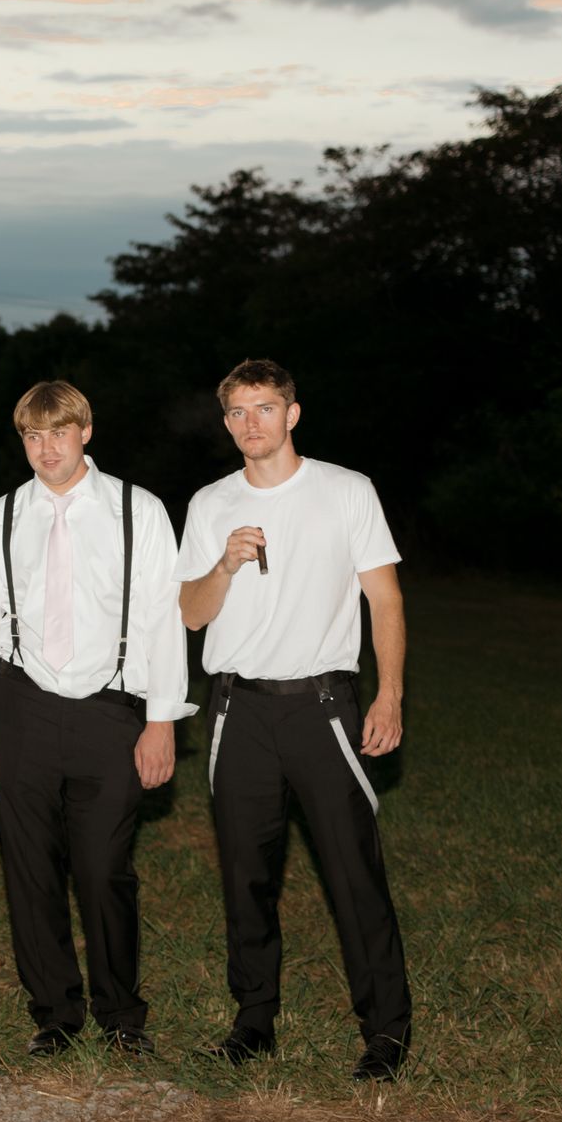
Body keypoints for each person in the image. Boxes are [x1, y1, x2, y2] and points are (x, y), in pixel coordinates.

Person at [176, 358, 411, 1082]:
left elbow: (387, 601)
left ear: (292, 414)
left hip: (322, 706)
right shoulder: (210, 503)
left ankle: (386, 1032)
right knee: (247, 878)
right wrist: (223, 565)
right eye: (239, 413)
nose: (252, 424)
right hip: (236, 710)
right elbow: (187, 615)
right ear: (226, 424)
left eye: (265, 409)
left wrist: (389, 694)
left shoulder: (346, 491)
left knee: (351, 872)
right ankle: (253, 1022)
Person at [0, 381, 193, 1059]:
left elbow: (162, 622)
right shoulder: (0, 517)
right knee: (29, 868)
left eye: (58, 432)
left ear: (85, 431)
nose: (45, 448)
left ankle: (121, 1016)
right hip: (21, 705)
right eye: (32, 435)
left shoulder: (136, 511)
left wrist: (162, 718)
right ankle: (55, 1013)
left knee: (103, 866)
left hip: (112, 708)